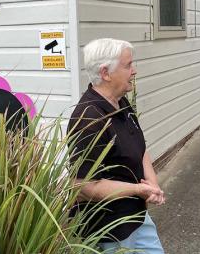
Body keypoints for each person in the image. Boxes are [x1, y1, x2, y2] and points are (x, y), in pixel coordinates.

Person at [68, 38, 165, 253]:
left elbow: (139, 146)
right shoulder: (88, 118)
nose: (134, 71)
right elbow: (83, 186)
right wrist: (138, 189)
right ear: (105, 73)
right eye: (128, 65)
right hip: (110, 229)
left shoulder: (120, 101)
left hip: (137, 217)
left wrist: (152, 183)